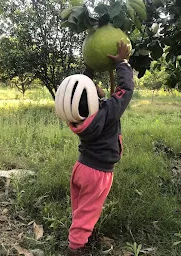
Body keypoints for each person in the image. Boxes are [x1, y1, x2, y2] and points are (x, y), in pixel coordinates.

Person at [66, 40, 134, 256]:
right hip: (98, 173)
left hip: (82, 167)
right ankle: (76, 247)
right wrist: (122, 63)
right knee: (89, 209)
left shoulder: (78, 117)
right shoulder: (107, 114)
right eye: (95, 90)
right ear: (95, 100)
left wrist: (89, 68)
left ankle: (82, 234)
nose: (98, 88)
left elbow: (82, 91)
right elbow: (126, 89)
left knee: (80, 206)